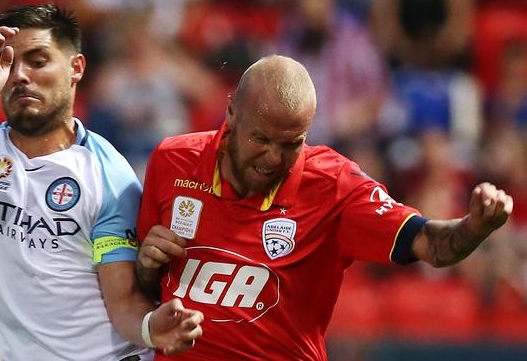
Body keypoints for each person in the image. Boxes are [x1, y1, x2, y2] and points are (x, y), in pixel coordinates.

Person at [135, 55, 513, 360]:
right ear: (231, 111)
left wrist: (474, 227)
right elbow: (137, 291)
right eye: (261, 138)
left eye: (290, 143)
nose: (273, 157)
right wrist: (147, 265)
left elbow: (431, 245)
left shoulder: (335, 187)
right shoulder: (173, 161)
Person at [0, 5, 203, 361]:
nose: (20, 76)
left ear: (76, 69)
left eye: (37, 61)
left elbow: (123, 303)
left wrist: (151, 328)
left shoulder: (107, 174)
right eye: (8, 64)